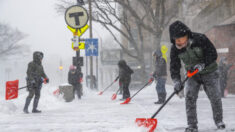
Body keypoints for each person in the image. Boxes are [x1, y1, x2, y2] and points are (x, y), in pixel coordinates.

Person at [169, 20, 225, 132]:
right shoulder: (175, 49)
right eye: (176, 40)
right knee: (189, 97)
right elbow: (174, 66)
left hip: (209, 71)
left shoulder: (200, 39)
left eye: (181, 39)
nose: (179, 42)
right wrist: (176, 81)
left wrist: (203, 64)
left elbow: (212, 53)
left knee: (214, 97)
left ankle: (219, 121)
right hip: (192, 74)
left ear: (187, 35)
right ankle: (192, 125)